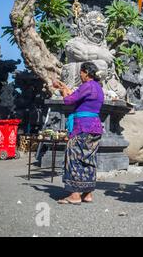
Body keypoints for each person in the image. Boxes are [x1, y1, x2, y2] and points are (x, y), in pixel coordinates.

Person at [53, 62, 104, 205]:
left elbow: (69, 100)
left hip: (83, 127)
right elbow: (77, 97)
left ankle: (75, 195)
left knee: (74, 157)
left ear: (86, 72)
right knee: (88, 158)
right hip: (95, 126)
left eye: (81, 72)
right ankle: (88, 193)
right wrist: (65, 88)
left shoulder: (87, 86)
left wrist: (63, 91)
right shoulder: (98, 88)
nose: (80, 75)